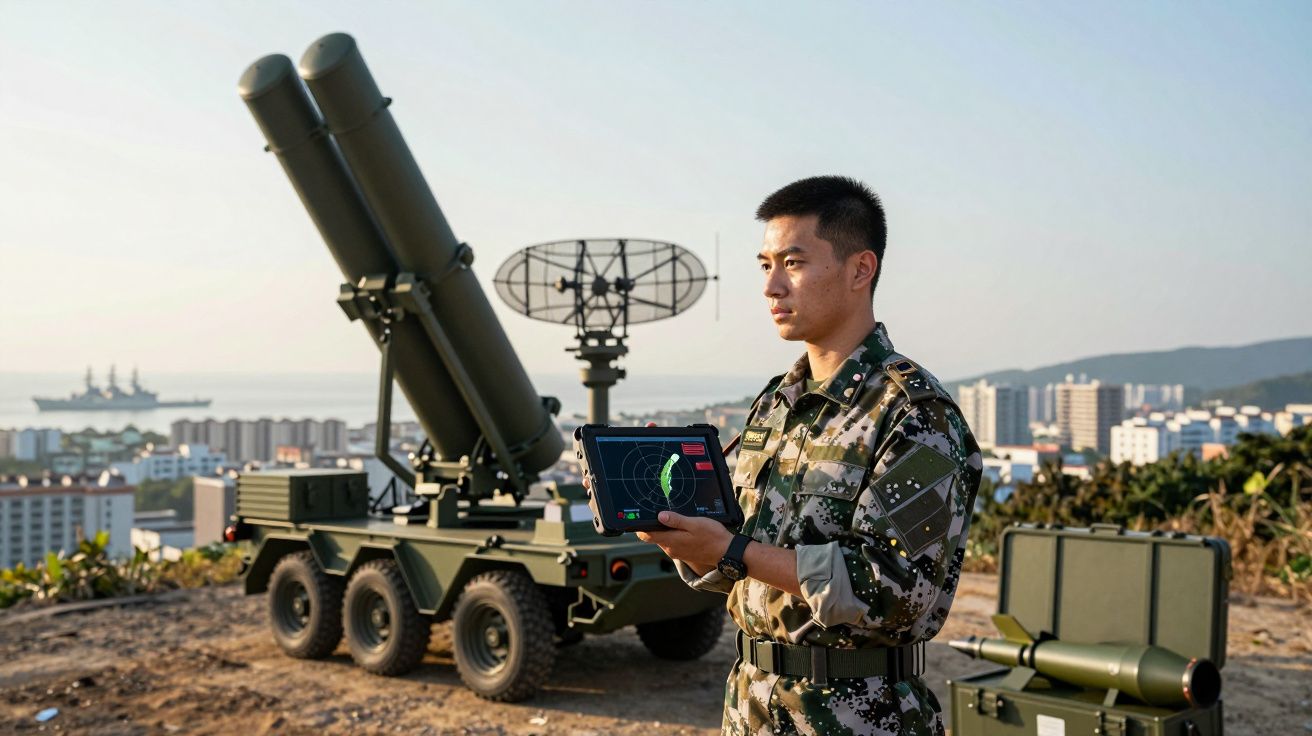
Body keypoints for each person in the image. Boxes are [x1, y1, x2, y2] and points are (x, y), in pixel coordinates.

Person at [635, 176, 983, 735]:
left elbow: (893, 591)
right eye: (764, 264)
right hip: (752, 704)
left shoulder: (914, 413)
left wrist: (733, 550)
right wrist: (683, 530)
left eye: (792, 263)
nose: (771, 287)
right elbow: (735, 565)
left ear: (859, 270)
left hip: (858, 714)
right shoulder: (776, 405)